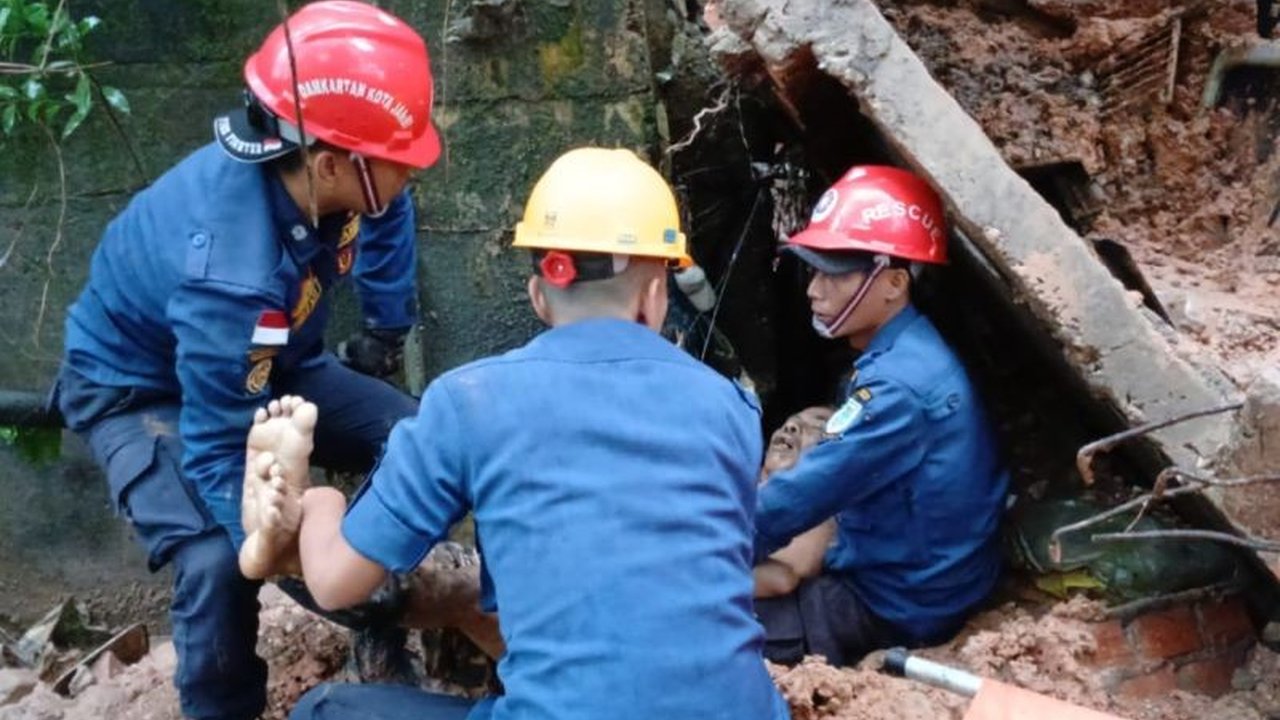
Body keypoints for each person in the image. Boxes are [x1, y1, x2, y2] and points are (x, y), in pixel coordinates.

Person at [243, 147, 790, 720]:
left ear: (538, 297)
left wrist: (322, 502)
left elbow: (334, 585)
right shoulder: (732, 407)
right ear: (656, 298)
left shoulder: (468, 401)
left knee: (325, 710)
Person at [54, 3, 464, 718]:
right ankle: (224, 706)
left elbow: (390, 213)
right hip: (141, 391)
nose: (414, 170)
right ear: (332, 163)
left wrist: (384, 333)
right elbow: (215, 451)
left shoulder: (349, 170)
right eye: (403, 160)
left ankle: (392, 628)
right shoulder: (229, 273)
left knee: (422, 438)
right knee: (217, 561)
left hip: (272, 360)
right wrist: (302, 566)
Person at [753, 165, 1009, 667]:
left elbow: (804, 494)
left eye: (836, 274)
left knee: (710, 629)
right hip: (923, 565)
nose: (813, 291)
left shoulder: (899, 389)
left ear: (893, 283)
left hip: (900, 601)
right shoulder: (906, 351)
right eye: (814, 271)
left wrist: (704, 545)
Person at [753, 406, 835, 599]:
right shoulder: (725, 481)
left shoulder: (822, 511)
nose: (790, 427)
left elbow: (780, 578)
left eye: (818, 426)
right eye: (789, 421)